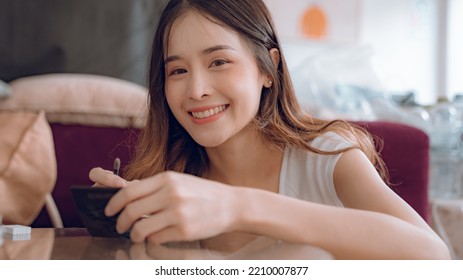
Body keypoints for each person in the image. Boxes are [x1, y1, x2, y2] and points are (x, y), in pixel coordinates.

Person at [89, 0, 450, 259]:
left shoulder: (327, 158)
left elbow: (432, 256)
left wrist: (239, 205)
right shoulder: (170, 179)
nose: (196, 89)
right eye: (178, 71)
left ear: (268, 68)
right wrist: (125, 231)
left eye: (219, 61)